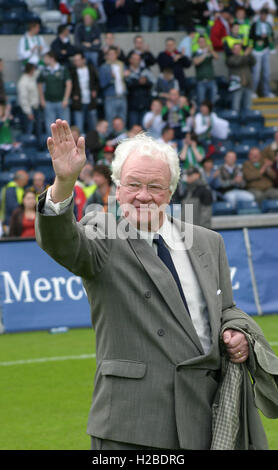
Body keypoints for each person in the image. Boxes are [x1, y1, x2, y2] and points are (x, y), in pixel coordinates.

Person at [36, 119, 278, 450]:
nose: (143, 196)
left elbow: (226, 309)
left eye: (155, 187)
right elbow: (63, 243)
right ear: (117, 189)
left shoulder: (208, 243)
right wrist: (64, 182)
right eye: (133, 184)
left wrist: (236, 333)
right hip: (132, 425)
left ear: (171, 191)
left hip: (207, 417)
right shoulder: (103, 235)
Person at [38, 51, 72, 136]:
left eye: (46, 58)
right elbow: (39, 84)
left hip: (61, 101)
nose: (44, 60)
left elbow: (69, 84)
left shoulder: (62, 69)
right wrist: (42, 99)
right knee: (50, 127)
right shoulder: (44, 70)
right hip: (49, 102)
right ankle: (52, 147)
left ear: (52, 58)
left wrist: (66, 98)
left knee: (65, 126)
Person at [99, 46, 127, 131]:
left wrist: (127, 76)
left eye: (113, 54)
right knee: (111, 121)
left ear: (116, 55)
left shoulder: (121, 65)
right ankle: (111, 141)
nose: (112, 56)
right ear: (107, 55)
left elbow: (127, 80)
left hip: (122, 96)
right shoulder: (104, 67)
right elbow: (102, 84)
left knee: (123, 121)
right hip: (110, 97)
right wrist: (111, 78)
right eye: (110, 54)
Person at [70, 51, 99, 134]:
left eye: (78, 60)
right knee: (79, 127)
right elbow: (69, 85)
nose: (76, 62)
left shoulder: (91, 69)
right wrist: (73, 95)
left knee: (93, 126)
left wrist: (95, 91)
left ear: (83, 60)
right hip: (78, 102)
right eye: (75, 60)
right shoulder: (72, 71)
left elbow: (96, 82)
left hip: (91, 101)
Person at [249, 8, 275, 98]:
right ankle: (253, 91)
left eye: (265, 14)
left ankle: (266, 92)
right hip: (256, 51)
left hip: (266, 50)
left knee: (266, 73)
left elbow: (271, 37)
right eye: (262, 14)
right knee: (256, 73)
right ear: (260, 15)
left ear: (267, 16)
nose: (263, 16)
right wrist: (259, 38)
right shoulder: (255, 25)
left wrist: (268, 41)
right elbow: (251, 37)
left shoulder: (268, 25)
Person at [125, 52, 155, 128]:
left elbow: (152, 83)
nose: (136, 61)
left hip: (144, 104)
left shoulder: (145, 70)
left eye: (138, 59)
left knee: (144, 129)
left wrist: (145, 82)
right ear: (130, 60)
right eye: (134, 59)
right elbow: (127, 85)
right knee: (133, 128)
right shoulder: (126, 71)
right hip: (132, 105)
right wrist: (139, 82)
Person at [226, 43, 256, 112]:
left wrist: (250, 53)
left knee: (248, 107)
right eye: (235, 48)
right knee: (235, 107)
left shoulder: (245, 57)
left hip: (248, 85)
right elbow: (237, 62)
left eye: (239, 48)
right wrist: (245, 54)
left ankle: (248, 121)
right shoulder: (230, 59)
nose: (237, 50)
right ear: (232, 50)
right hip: (236, 85)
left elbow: (254, 62)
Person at [0, 170, 29, 235]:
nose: (27, 182)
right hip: (9, 223)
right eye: (26, 180)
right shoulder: (10, 189)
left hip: (16, 221)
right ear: (20, 180)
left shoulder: (19, 188)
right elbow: (12, 206)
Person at [17, 63, 42, 140]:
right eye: (34, 69)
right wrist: (28, 112)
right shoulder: (23, 82)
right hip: (28, 110)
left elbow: (39, 72)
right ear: (31, 70)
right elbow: (23, 99)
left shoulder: (32, 77)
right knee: (29, 131)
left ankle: (39, 147)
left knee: (38, 130)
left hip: (36, 108)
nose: (35, 71)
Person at [192, 35, 219, 106]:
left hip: (211, 80)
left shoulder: (209, 52)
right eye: (200, 41)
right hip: (201, 81)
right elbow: (196, 62)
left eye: (203, 41)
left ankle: (212, 115)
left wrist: (211, 50)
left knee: (213, 100)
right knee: (201, 101)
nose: (202, 43)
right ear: (198, 43)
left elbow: (217, 57)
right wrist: (204, 54)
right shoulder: (196, 53)